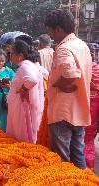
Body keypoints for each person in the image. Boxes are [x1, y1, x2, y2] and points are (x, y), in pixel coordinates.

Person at [45, 9, 92, 169]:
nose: (50, 35)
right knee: (78, 156)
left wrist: (60, 84)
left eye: (50, 30)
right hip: (79, 109)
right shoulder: (82, 45)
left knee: (62, 161)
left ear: (58, 29)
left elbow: (71, 73)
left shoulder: (64, 48)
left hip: (63, 112)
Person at [6, 40, 45, 144]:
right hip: (20, 106)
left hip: (21, 107)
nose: (10, 56)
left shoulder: (25, 66)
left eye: (12, 54)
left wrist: (23, 89)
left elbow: (32, 80)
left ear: (20, 55)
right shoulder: (30, 65)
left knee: (21, 136)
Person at [84, 44, 98, 170]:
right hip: (95, 107)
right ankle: (90, 167)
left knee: (81, 137)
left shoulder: (84, 68)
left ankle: (83, 168)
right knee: (89, 138)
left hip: (84, 105)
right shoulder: (97, 68)